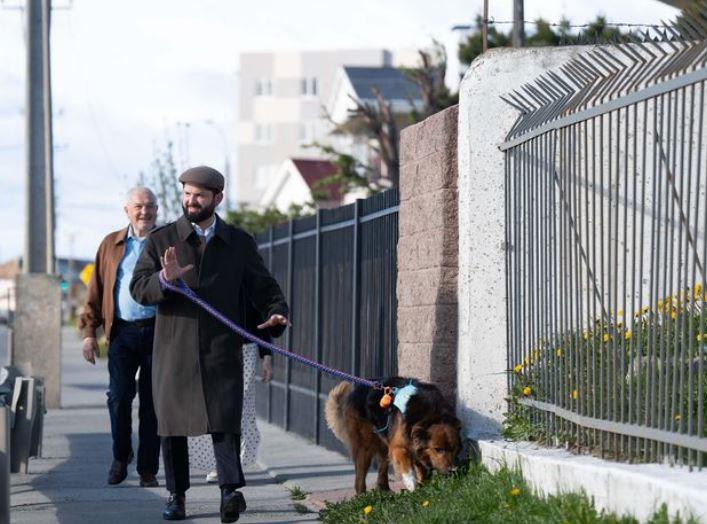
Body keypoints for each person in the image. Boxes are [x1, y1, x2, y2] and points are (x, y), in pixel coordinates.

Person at [129, 166, 289, 523]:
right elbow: (138, 288)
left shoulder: (238, 242)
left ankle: (230, 492)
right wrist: (163, 279)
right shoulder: (161, 240)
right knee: (172, 427)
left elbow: (265, 288)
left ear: (217, 197)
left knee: (224, 421)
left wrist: (277, 312)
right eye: (187, 193)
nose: (191, 200)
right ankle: (176, 496)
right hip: (173, 351)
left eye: (199, 195)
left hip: (221, 349)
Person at [78, 187, 161, 488]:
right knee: (119, 397)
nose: (145, 212)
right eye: (138, 206)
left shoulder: (166, 243)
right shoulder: (110, 245)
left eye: (150, 206)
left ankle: (148, 469)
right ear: (127, 210)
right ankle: (120, 456)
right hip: (122, 332)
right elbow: (96, 292)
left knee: (153, 404)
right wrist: (89, 334)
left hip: (158, 332)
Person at [189, 298, 273, 482]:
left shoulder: (244, 273)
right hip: (211, 347)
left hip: (245, 348)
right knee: (214, 407)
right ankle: (219, 464)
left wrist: (266, 354)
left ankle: (232, 464)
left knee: (240, 407)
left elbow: (258, 312)